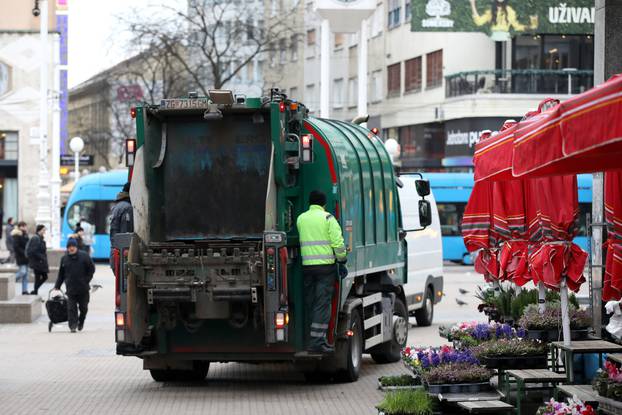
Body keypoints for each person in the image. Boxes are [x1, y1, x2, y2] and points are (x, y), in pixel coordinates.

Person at [296, 190, 347, 353]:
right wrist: (342, 260)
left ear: (310, 203)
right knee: (322, 304)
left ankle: (310, 338)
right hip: (325, 268)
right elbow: (338, 242)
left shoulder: (301, 219)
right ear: (324, 204)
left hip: (307, 267)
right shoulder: (328, 218)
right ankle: (317, 342)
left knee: (311, 303)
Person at [54, 238, 95, 333]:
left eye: (73, 246)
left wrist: (87, 280)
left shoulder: (84, 256)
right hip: (71, 289)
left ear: (76, 247)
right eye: (69, 247)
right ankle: (73, 325)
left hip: (83, 289)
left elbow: (91, 269)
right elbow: (61, 274)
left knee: (83, 308)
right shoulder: (64, 259)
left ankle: (81, 321)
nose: (71, 248)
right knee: (71, 309)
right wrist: (57, 285)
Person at [27, 224, 49, 295]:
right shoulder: (36, 238)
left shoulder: (40, 238)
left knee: (42, 277)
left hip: (40, 261)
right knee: (40, 277)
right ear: (39, 230)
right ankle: (35, 291)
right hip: (37, 262)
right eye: (43, 230)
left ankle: (35, 291)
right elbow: (33, 251)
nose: (45, 231)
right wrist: (42, 257)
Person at [12, 221, 29, 295]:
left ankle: (24, 290)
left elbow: (27, 244)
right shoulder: (17, 234)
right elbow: (16, 247)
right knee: (23, 272)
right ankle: (10, 280)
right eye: (24, 226)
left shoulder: (25, 234)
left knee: (26, 275)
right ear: (20, 227)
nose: (25, 227)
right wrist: (24, 253)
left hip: (26, 257)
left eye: (25, 226)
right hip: (20, 257)